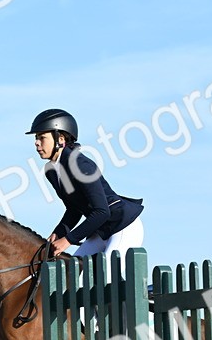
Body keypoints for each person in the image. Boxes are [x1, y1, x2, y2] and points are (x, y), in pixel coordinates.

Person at [28, 109, 145, 262]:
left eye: (42, 137)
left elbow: (102, 211)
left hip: (122, 227)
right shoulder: (52, 171)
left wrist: (68, 240)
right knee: (74, 277)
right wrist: (58, 233)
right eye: (36, 138)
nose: (36, 143)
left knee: (107, 275)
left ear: (61, 139)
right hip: (100, 231)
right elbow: (74, 210)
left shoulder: (80, 164)